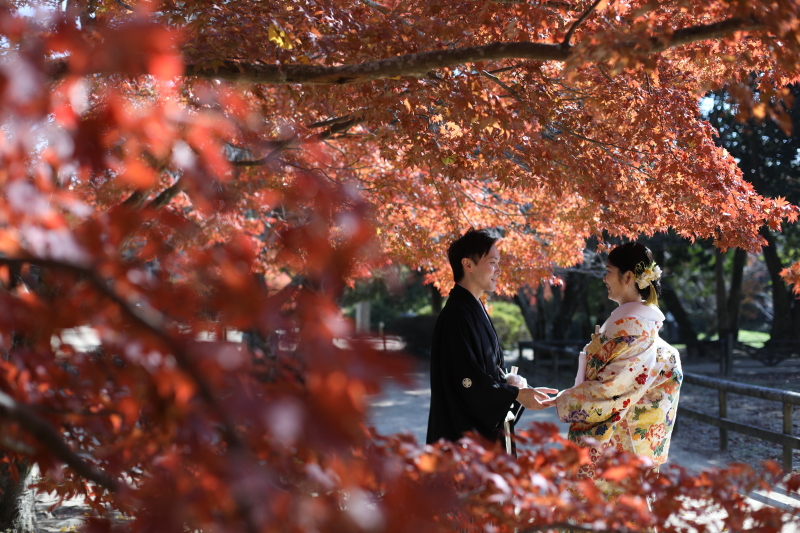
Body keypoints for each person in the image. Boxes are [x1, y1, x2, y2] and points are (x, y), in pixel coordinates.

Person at [554, 242, 683, 477]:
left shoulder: (632, 329)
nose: (604, 278)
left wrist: (562, 400)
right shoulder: (635, 326)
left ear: (628, 277)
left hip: (617, 445)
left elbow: (611, 390)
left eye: (608, 271)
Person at [426, 228, 555, 447]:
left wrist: (509, 384)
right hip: (463, 438)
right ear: (468, 264)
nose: (498, 270)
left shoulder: (473, 308)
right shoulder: (456, 314)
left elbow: (485, 372)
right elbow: (466, 380)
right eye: (492, 262)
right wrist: (514, 394)